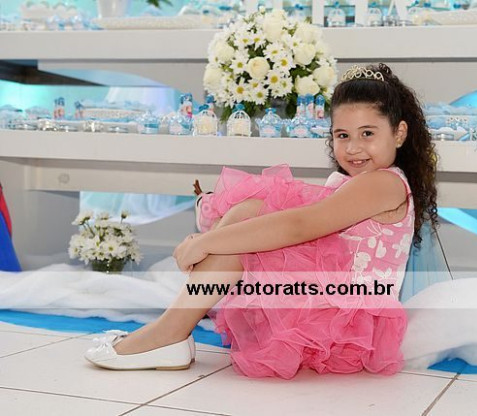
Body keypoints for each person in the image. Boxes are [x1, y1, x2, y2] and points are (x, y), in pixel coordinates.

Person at [84, 63, 439, 379]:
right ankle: (175, 329)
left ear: (399, 133)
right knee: (252, 211)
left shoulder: (384, 183)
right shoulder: (353, 182)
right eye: (342, 135)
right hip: (330, 302)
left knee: (246, 236)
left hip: (347, 325)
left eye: (368, 134)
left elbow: (300, 225)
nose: (353, 147)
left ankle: (169, 333)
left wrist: (205, 242)